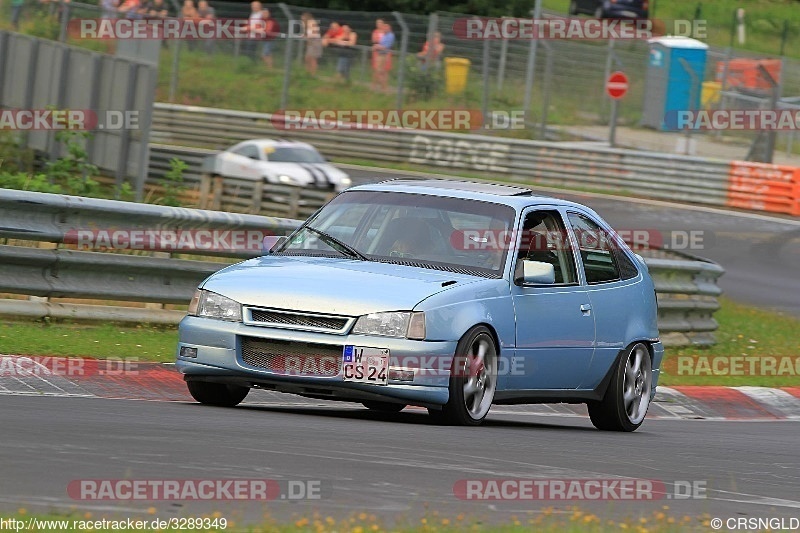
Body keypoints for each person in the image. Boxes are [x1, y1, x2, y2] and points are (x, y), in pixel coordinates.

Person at [372, 21, 394, 92]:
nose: (384, 28)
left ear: (389, 28)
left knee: (382, 71)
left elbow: (386, 46)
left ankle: (383, 87)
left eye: (386, 27)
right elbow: (379, 43)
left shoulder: (390, 35)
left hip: (385, 55)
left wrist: (377, 46)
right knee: (378, 70)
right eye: (384, 27)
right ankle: (378, 86)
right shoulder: (384, 35)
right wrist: (377, 46)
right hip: (380, 54)